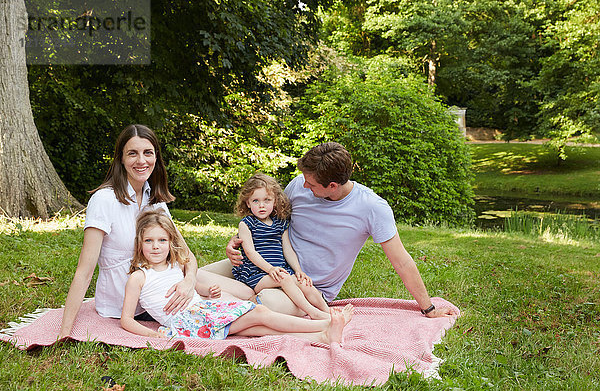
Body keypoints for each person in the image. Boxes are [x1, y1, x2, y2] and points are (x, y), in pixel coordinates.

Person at [217, 142, 455, 318]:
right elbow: (267, 220)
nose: (304, 185)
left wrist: (429, 308)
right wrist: (236, 241)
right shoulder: (299, 185)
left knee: (266, 302)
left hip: (309, 289)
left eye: (310, 183)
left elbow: (401, 261)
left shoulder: (372, 208)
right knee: (198, 275)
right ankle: (219, 298)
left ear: (331, 186)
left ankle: (226, 300)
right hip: (262, 265)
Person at [58, 124, 251, 339]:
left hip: (167, 280)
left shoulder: (156, 203)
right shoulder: (104, 200)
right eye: (133, 153)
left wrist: (188, 283)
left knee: (246, 293)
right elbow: (84, 272)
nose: (141, 161)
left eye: (147, 153)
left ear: (156, 158)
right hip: (137, 302)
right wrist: (64, 332)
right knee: (238, 309)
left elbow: (186, 256)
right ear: (121, 158)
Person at [121, 209, 354, 344]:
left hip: (203, 310)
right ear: (139, 244)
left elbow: (195, 291)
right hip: (187, 323)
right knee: (259, 313)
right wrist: (154, 336)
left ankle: (322, 336)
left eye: (162, 240)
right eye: (148, 241)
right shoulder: (139, 277)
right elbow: (127, 320)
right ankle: (324, 322)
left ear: (171, 243)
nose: (155, 246)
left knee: (257, 328)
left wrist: (207, 292)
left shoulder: (175, 267)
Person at [232, 173, 330, 320]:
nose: (261, 205)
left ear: (275, 201)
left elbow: (288, 250)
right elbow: (250, 252)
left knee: (303, 282)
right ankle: (312, 312)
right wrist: (270, 269)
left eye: (267, 200)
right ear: (248, 203)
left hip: (279, 271)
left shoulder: (280, 223)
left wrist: (298, 270)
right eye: (255, 201)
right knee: (284, 278)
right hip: (257, 275)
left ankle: (327, 311)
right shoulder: (246, 224)